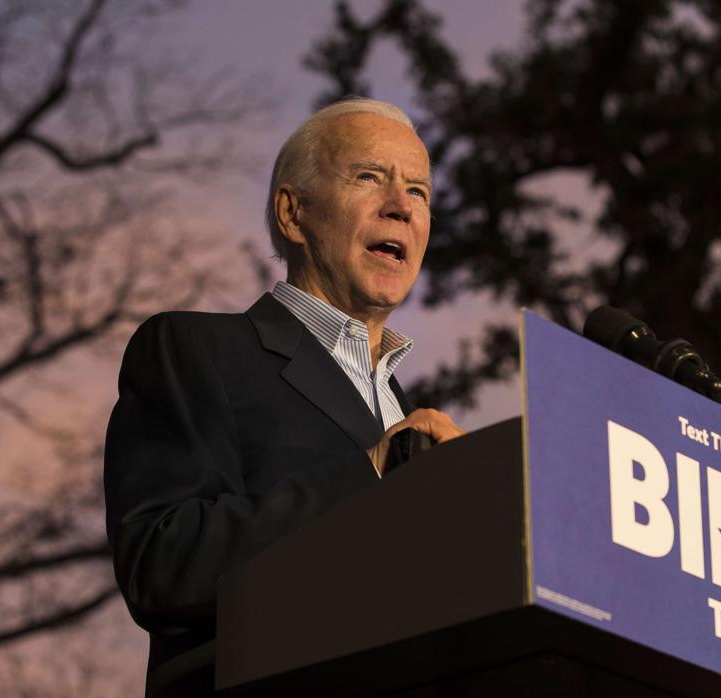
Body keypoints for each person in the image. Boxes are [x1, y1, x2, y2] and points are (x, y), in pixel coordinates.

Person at [104, 97, 464, 696]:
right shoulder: (195, 350)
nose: (402, 206)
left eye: (420, 192)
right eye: (369, 177)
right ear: (293, 213)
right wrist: (367, 478)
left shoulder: (411, 417)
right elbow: (159, 564)